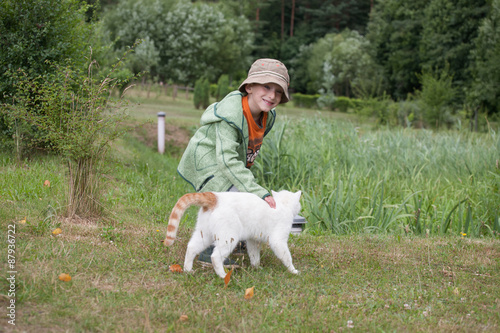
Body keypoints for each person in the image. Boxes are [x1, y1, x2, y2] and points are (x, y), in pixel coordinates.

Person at [177, 58, 292, 266]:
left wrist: (248, 184)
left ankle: (233, 237)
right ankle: (210, 249)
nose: (272, 95)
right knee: (227, 200)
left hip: (228, 161)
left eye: (278, 91)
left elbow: (247, 146)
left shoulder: (268, 116)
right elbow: (226, 159)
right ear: (249, 87)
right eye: (266, 87)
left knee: (242, 196)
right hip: (208, 161)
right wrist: (257, 191)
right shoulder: (230, 115)